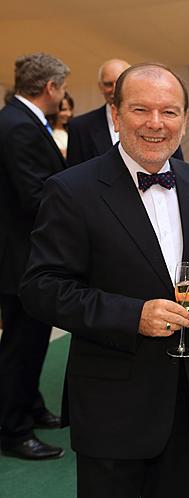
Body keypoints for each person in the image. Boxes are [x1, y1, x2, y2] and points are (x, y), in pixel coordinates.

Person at [20, 63, 189, 498]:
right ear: (116, 115)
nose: (156, 123)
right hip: (111, 405)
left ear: (184, 118)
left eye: (170, 112)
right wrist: (132, 315)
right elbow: (41, 288)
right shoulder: (71, 189)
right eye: (141, 109)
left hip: (186, 397)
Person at [0, 52, 69, 460]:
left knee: (32, 339)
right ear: (50, 88)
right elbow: (32, 196)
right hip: (19, 256)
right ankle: (13, 428)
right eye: (61, 88)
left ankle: (29, 404)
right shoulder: (17, 126)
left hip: (23, 252)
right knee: (21, 346)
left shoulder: (19, 119)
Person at [67, 59, 183, 166]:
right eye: (108, 84)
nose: (114, 89)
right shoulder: (80, 126)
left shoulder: (167, 124)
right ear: (100, 87)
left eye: (118, 82)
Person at [48, 92, 74, 158]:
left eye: (70, 109)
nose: (69, 114)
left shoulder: (73, 130)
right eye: (63, 110)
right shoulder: (46, 130)